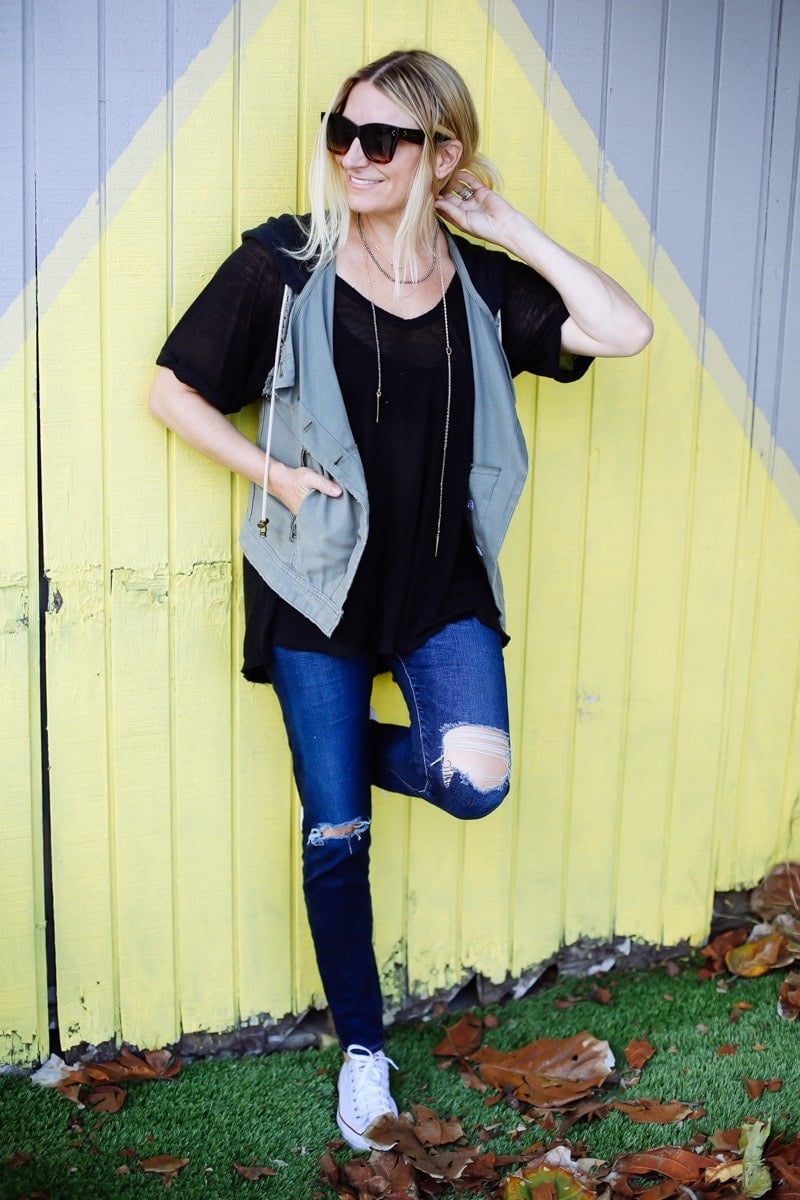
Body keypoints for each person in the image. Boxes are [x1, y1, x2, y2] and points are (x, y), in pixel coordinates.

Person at [148, 49, 652, 1151]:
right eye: (342, 132)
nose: (353, 157)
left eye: (382, 139)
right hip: (315, 580)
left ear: (442, 152)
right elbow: (170, 386)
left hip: (436, 581)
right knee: (337, 833)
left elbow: (622, 331)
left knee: (473, 780)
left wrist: (508, 226)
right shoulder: (285, 261)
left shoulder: (477, 279)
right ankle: (364, 1055)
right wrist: (274, 475)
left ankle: (323, 740)